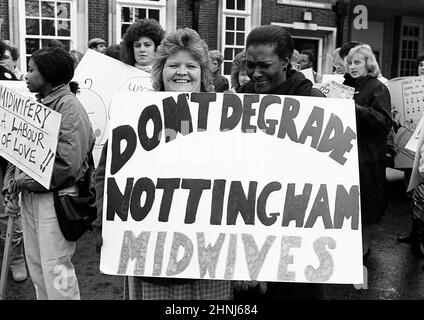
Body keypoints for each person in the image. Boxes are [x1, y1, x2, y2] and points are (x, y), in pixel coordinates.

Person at [94, 28, 232, 300]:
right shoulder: (133, 114)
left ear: (203, 72)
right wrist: (106, 225)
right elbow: (105, 176)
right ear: (160, 71)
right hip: (151, 258)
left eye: (191, 65)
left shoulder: (225, 117)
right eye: (173, 65)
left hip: (212, 258)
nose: (182, 72)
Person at [236, 25, 325, 300]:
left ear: (286, 61)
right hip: (248, 221)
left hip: (296, 231)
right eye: (250, 65)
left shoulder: (314, 102)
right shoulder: (241, 98)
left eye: (264, 65)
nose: (255, 73)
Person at [3, 47, 95, 299]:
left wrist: (25, 181)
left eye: (32, 70)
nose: (26, 76)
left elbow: (69, 165)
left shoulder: (69, 107)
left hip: (54, 202)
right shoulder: (38, 104)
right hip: (31, 199)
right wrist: (10, 186)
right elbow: (16, 151)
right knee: (38, 269)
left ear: (49, 74)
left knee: (56, 271)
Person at [343, 44, 393, 263]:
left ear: (368, 64)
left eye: (358, 62)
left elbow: (383, 121)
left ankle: (363, 251)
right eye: (350, 63)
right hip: (345, 153)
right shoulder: (345, 85)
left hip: (367, 156)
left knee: (365, 206)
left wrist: (355, 108)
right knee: (348, 204)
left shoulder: (377, 88)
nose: (353, 67)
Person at [0, 40, 27, 283]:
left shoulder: (13, 82)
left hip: (7, 154)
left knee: (6, 209)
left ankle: (16, 257)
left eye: (6, 57)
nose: (2, 61)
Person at [397, 53, 424, 256]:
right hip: (413, 152)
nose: (422, 68)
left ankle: (420, 237)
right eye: (420, 65)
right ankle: (415, 233)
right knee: (413, 195)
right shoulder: (411, 89)